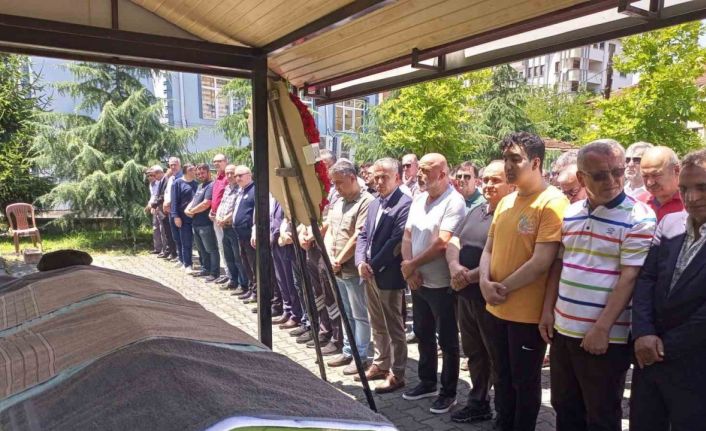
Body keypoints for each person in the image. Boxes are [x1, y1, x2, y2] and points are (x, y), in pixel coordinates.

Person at [541, 140, 655, 431]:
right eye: (601, 175)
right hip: (563, 329)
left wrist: (602, 328)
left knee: (601, 415)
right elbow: (559, 264)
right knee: (564, 407)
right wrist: (547, 311)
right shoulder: (570, 213)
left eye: (617, 172)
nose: (613, 181)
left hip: (605, 337)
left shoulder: (639, 217)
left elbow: (629, 277)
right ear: (581, 178)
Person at [479, 132, 569, 431]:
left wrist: (500, 288)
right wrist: (484, 282)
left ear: (536, 162)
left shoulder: (552, 202)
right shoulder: (506, 202)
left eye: (515, 159)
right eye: (506, 158)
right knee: (501, 377)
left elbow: (542, 262)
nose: (508, 165)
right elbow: (488, 249)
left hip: (527, 316)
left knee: (524, 382)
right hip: (495, 308)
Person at [631, 149, 706, 431]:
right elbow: (646, 280)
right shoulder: (669, 223)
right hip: (648, 358)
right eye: (685, 188)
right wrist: (643, 332)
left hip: (695, 365)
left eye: (702, 187)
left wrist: (662, 348)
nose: (692, 197)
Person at [446, 160, 514, 424]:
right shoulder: (476, 211)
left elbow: (502, 258)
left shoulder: (509, 215)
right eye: (485, 180)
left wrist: (468, 277)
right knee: (474, 353)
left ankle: (504, 411)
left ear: (510, 183)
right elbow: (454, 240)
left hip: (490, 299)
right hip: (466, 297)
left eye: (495, 180)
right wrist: (454, 266)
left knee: (496, 357)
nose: (488, 185)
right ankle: (478, 402)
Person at [401, 153, 466, 415]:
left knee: (447, 340)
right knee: (423, 332)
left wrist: (411, 265)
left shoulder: (454, 201)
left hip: (441, 284)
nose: (420, 174)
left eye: (426, 170)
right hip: (418, 281)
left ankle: (448, 393)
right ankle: (427, 381)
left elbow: (442, 243)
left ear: (442, 174)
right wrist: (409, 268)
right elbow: (407, 235)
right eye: (420, 169)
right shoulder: (419, 199)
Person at [355, 157, 412, 393]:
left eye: (384, 177)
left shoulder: (405, 204)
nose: (378, 182)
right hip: (369, 273)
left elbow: (396, 241)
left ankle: (397, 373)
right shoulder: (374, 203)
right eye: (376, 177)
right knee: (377, 323)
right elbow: (363, 235)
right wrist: (360, 262)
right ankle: (380, 363)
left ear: (397, 178)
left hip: (388, 275)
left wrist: (372, 265)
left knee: (394, 327)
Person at [324, 159, 374, 375]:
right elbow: (331, 230)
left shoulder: (367, 202)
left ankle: (361, 356)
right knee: (346, 312)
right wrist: (329, 256)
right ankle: (348, 350)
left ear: (352, 178)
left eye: (339, 183)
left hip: (352, 269)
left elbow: (358, 237)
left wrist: (338, 259)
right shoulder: (339, 201)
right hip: (336, 266)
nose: (336, 187)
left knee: (359, 314)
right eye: (333, 183)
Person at [185, 163, 219, 282]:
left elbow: (206, 204)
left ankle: (214, 273)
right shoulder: (200, 186)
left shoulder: (211, 185)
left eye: (202, 173)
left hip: (206, 223)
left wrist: (191, 211)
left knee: (211, 249)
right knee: (201, 249)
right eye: (198, 174)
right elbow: (194, 200)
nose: (200, 175)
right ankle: (205, 269)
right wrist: (187, 209)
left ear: (208, 172)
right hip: (196, 223)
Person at [215, 164, 245, 291]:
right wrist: (218, 217)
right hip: (224, 227)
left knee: (238, 257)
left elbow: (236, 209)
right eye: (227, 173)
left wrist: (224, 219)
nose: (229, 176)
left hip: (233, 227)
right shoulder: (227, 188)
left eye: (232, 173)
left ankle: (243, 284)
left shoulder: (240, 189)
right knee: (229, 256)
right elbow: (222, 204)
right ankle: (233, 280)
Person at [231, 165, 257, 301]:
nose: (237, 178)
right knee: (246, 263)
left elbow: (256, 213)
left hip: (249, 234)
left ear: (249, 175)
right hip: (240, 234)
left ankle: (257, 292)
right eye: (236, 176)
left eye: (240, 175)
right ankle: (251, 288)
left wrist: (254, 231)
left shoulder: (254, 190)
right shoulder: (241, 191)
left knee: (254, 264)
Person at [638, 146, 683, 221]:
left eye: (656, 175)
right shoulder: (639, 203)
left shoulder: (693, 204)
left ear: (676, 170)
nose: (650, 183)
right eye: (645, 176)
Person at [170, 164, 198, 273]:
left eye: (194, 169)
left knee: (194, 242)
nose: (194, 171)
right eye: (191, 170)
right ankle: (187, 264)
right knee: (185, 241)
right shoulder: (178, 183)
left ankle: (187, 262)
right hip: (182, 217)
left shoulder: (196, 184)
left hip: (195, 216)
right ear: (186, 171)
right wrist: (175, 216)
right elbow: (174, 201)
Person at [209, 153, 231, 284]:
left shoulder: (228, 178)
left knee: (227, 247)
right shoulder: (217, 178)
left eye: (219, 161)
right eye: (214, 161)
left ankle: (232, 275)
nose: (216, 163)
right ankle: (228, 273)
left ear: (226, 161)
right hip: (215, 218)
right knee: (221, 246)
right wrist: (212, 211)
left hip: (224, 219)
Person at [163, 157, 182, 263]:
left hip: (178, 211)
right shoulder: (171, 178)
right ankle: (179, 257)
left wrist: (169, 203)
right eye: (171, 165)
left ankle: (183, 259)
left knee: (181, 236)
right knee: (175, 236)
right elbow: (167, 192)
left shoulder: (182, 178)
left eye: (175, 164)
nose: (173, 167)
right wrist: (165, 203)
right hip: (170, 210)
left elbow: (179, 195)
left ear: (179, 165)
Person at [146, 166, 165, 255]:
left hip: (160, 207)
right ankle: (157, 248)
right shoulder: (151, 185)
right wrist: (149, 205)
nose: (150, 177)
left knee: (162, 228)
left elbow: (159, 196)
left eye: (151, 175)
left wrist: (154, 206)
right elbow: (152, 196)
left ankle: (165, 249)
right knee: (155, 228)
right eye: (148, 176)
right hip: (154, 207)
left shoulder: (159, 183)